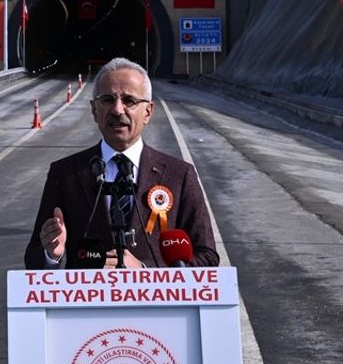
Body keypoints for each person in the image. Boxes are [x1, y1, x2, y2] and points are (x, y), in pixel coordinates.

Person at [23, 57, 219, 269]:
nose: (117, 110)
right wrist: (51, 254)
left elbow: (207, 258)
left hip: (157, 303)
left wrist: (146, 273)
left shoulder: (179, 175)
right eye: (107, 99)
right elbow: (34, 261)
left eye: (129, 100)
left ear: (148, 112)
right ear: (94, 110)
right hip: (89, 301)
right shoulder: (65, 174)